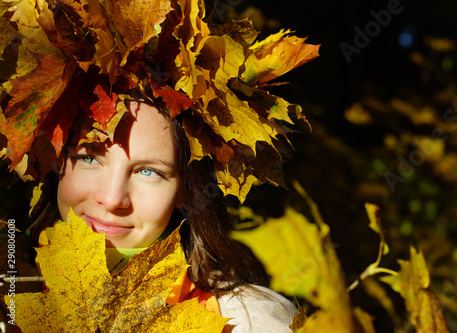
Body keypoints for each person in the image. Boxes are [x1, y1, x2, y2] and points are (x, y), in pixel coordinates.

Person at [0, 0, 319, 331]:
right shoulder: (9, 296)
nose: (112, 199)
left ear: (184, 189)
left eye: (148, 172)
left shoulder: (245, 322)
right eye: (90, 157)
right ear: (56, 159)